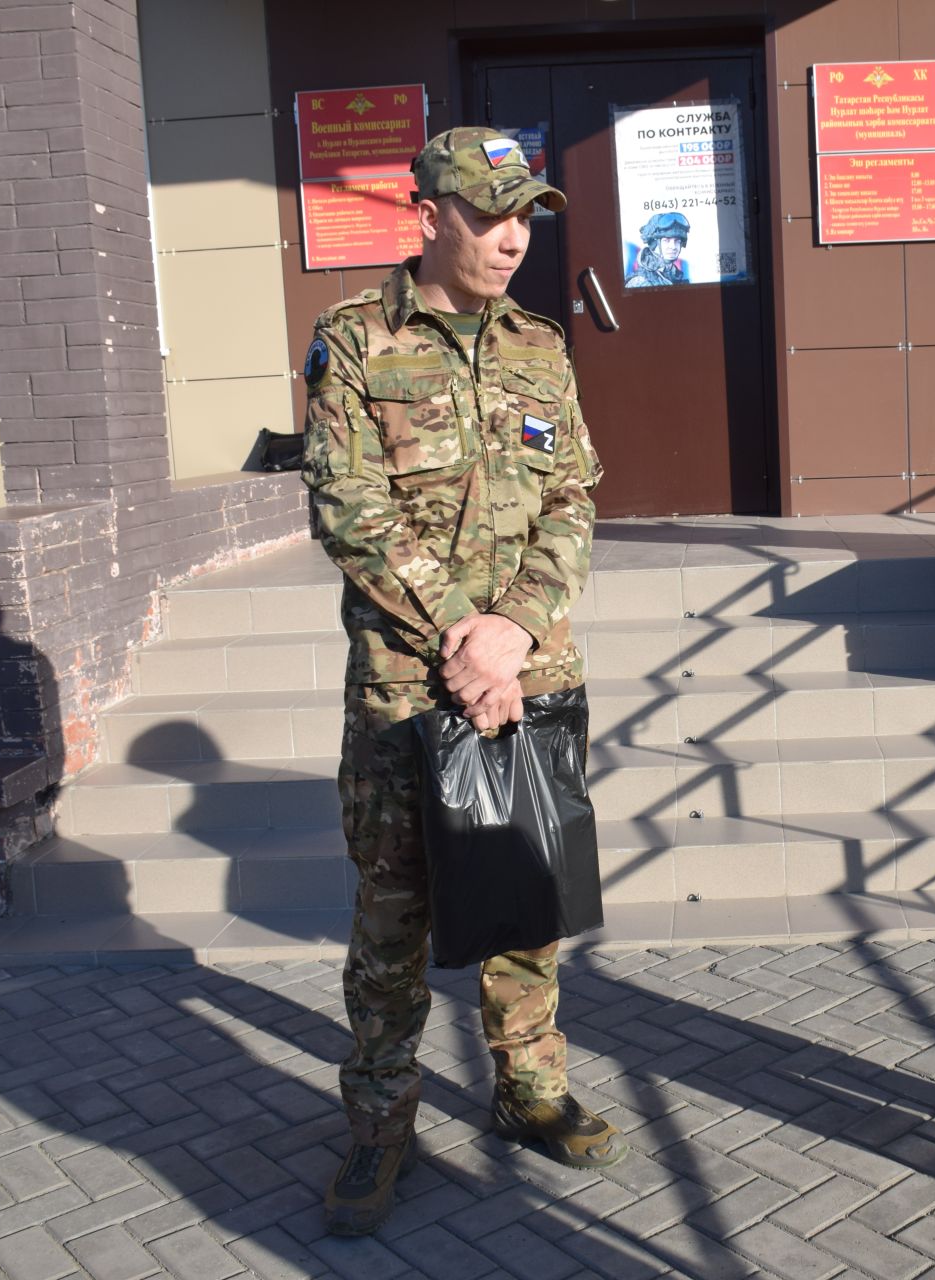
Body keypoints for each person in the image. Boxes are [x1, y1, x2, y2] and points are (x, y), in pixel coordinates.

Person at [301, 126, 619, 1238]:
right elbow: (349, 509)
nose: (510, 238)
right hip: (406, 691)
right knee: (394, 917)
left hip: (529, 679)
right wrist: (462, 639)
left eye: (523, 215)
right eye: (486, 214)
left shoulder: (541, 345)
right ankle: (381, 1121)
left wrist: (516, 632)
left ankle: (530, 1087)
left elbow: (574, 498)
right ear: (425, 211)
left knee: (526, 903)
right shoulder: (353, 341)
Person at [625, 210, 690, 286]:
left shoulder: (677, 277)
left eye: (677, 241)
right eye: (666, 240)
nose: (673, 247)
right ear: (654, 244)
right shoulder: (640, 282)